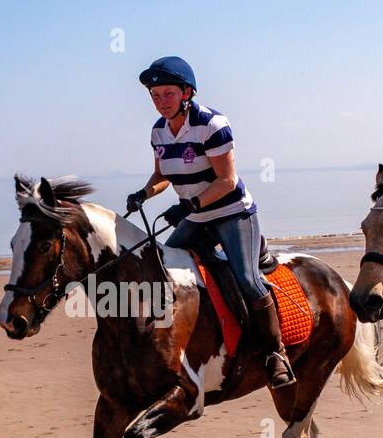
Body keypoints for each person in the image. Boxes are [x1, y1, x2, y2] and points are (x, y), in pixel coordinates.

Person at [125, 56, 295, 388]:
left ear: (186, 92)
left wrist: (190, 204)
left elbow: (227, 181)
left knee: (247, 280)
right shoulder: (159, 132)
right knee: (160, 270)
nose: (160, 102)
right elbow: (162, 175)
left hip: (232, 213)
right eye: (155, 95)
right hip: (194, 214)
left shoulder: (211, 124)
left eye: (167, 94)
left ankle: (276, 354)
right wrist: (144, 193)